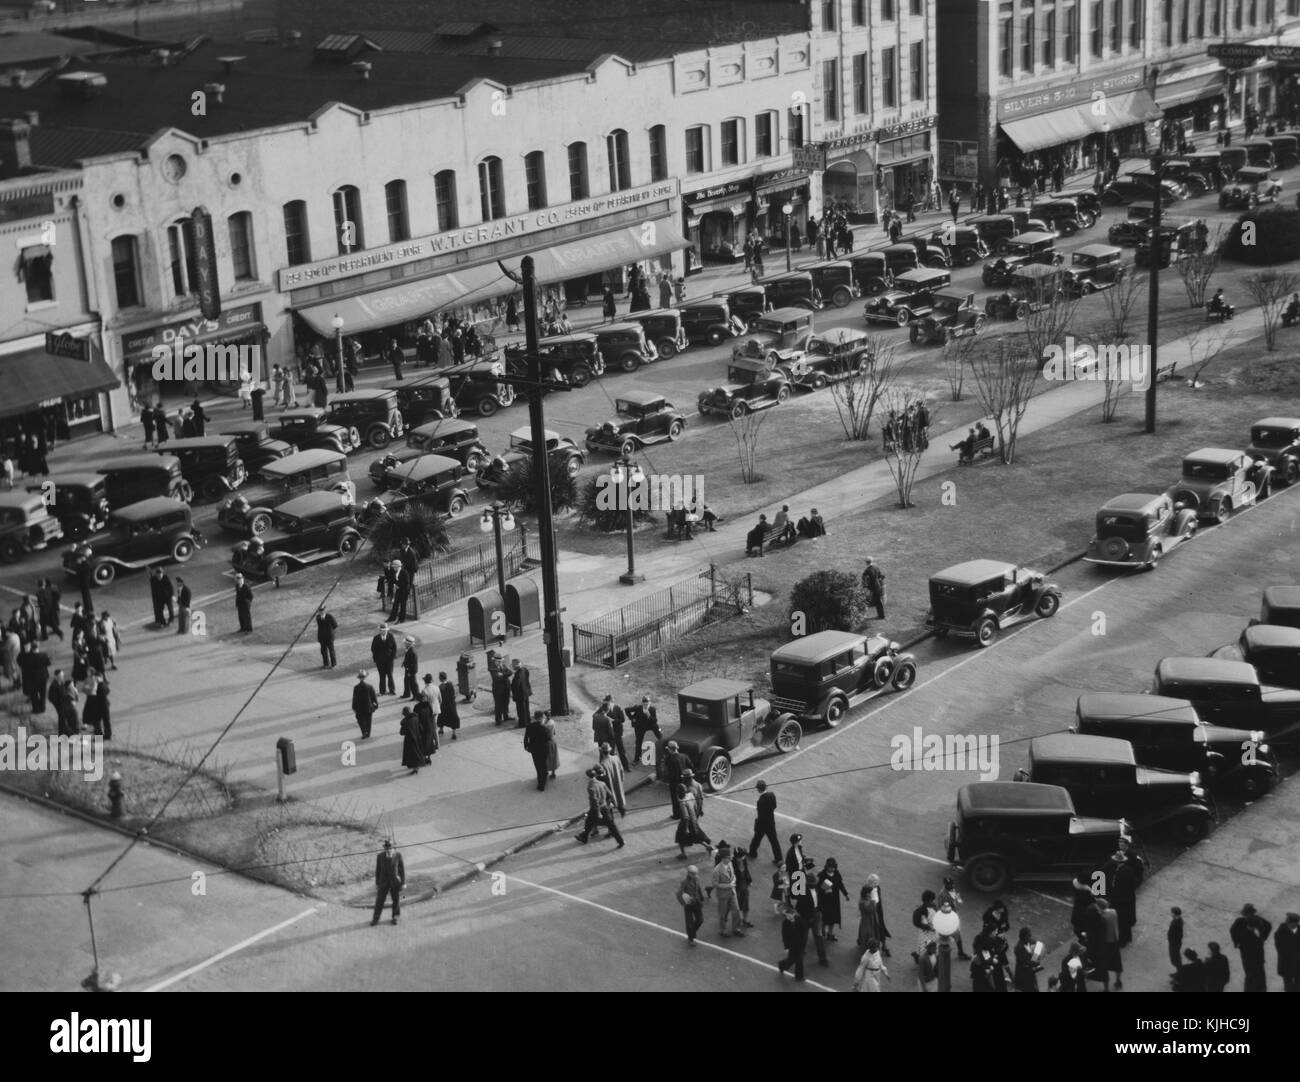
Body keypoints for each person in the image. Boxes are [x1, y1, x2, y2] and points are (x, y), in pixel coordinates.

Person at [576, 768, 624, 847]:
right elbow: (610, 795)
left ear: (588, 777)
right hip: (604, 807)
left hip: (596, 809)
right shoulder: (602, 783)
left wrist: (598, 813)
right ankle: (584, 836)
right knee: (589, 822)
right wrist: (609, 804)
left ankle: (620, 841)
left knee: (609, 825)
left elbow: (594, 802)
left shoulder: (591, 787)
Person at [1231, 903, 1272, 992]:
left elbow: (1268, 926)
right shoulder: (1240, 922)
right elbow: (1233, 931)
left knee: (1257, 974)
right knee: (1251, 974)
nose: (1247, 916)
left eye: (1247, 914)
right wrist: (1236, 942)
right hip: (1249, 954)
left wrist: (1263, 937)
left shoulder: (1256, 921)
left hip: (1254, 954)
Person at [708, 841, 743, 937]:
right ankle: (722, 930)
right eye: (728, 857)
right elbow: (715, 884)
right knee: (722, 913)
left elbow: (733, 875)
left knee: (736, 910)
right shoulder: (717, 870)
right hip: (723, 894)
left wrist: (733, 881)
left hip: (732, 891)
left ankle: (736, 928)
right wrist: (728, 885)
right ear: (723, 858)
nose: (731, 857)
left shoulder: (730, 864)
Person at [746, 779, 781, 864]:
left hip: (762, 825)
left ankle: (752, 853)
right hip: (771, 822)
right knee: (774, 841)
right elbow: (774, 806)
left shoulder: (760, 801)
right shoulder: (772, 795)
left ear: (758, 789)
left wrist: (757, 824)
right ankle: (779, 858)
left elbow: (760, 815)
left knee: (756, 840)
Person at [675, 783, 712, 858]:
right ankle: (708, 847)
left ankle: (683, 854)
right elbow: (695, 805)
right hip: (694, 819)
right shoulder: (690, 795)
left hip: (687, 823)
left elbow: (685, 817)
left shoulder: (682, 803)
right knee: (696, 836)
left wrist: (685, 829)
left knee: (679, 838)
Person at [371, 840, 404, 925]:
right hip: (383, 882)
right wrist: (377, 883)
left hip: (395, 882)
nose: (388, 850)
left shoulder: (398, 855)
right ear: (384, 849)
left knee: (396, 900)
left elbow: (401, 870)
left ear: (393, 848)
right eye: (387, 849)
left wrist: (403, 883)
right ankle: (375, 919)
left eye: (390, 848)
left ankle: (395, 917)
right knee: (379, 901)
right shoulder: (380, 856)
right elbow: (378, 871)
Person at [857, 874, 891, 955]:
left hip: (878, 911)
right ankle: (868, 945)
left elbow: (879, 899)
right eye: (874, 882)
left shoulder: (877, 888)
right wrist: (873, 903)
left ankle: (884, 945)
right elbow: (869, 904)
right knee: (870, 930)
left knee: (880, 927)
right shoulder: (867, 890)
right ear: (870, 882)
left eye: (877, 882)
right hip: (871, 912)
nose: (876, 884)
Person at [817, 858, 850, 941]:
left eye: (833, 867)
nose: (832, 869)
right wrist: (824, 890)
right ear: (827, 867)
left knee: (832, 918)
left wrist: (845, 894)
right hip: (824, 900)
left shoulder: (836, 874)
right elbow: (817, 888)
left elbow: (840, 885)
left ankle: (830, 934)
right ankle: (823, 930)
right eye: (830, 867)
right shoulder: (822, 875)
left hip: (834, 900)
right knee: (824, 917)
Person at [778, 900, 810, 982]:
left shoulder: (799, 920)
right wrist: (786, 947)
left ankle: (783, 966)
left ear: (792, 914)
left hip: (799, 942)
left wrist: (803, 941)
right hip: (792, 944)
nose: (787, 917)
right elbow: (784, 936)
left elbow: (804, 930)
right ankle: (798, 975)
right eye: (786, 916)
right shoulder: (785, 923)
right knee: (796, 959)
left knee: (796, 959)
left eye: (788, 915)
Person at [627, 695, 661, 764]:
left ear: (650, 703)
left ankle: (666, 749)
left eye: (647, 703)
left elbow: (655, 720)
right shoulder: (637, 708)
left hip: (650, 725)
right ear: (642, 703)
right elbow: (626, 710)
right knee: (638, 742)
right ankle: (637, 758)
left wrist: (649, 715)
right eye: (644, 703)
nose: (646, 705)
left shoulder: (652, 709)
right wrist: (631, 718)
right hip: (640, 726)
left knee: (660, 736)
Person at [677, 866, 706, 945]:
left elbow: (698, 888)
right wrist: (684, 903)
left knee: (700, 920)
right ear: (689, 873)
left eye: (696, 873)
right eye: (693, 874)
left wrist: (702, 898)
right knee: (689, 923)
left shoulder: (696, 879)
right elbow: (679, 894)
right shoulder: (684, 882)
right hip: (689, 905)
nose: (695, 875)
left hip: (697, 903)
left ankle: (691, 933)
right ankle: (691, 939)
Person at [524, 710, 551, 791]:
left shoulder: (529, 726)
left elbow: (526, 737)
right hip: (543, 749)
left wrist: (526, 746)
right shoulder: (545, 728)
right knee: (543, 764)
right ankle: (542, 782)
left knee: (537, 765)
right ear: (541, 718)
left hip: (534, 749)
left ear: (535, 717)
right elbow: (548, 738)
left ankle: (541, 780)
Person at [662, 740, 689, 819]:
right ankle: (686, 813)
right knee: (684, 798)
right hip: (684, 782)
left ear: (670, 749)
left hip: (674, 783)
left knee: (675, 800)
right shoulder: (684, 756)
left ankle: (677, 815)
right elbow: (691, 766)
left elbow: (668, 770)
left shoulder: (670, 760)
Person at [598, 742, 626, 814]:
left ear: (602, 752)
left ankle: (611, 820)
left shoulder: (603, 763)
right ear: (609, 751)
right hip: (618, 782)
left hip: (610, 786)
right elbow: (621, 770)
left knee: (610, 802)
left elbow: (603, 779)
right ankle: (622, 810)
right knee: (619, 795)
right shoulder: (616, 758)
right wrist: (621, 780)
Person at [370, 624, 398, 695]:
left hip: (389, 660)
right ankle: (382, 691)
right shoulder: (376, 638)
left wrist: (392, 657)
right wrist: (376, 659)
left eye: (385, 631)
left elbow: (394, 648)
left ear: (387, 630)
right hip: (380, 661)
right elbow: (373, 649)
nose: (383, 632)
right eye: (382, 631)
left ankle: (392, 690)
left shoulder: (391, 636)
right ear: (380, 631)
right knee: (382, 676)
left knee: (390, 675)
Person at [1276, 912, 1300, 992]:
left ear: (1296, 923)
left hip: (1298, 964)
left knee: (1297, 987)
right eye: (1289, 923)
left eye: (1294, 924)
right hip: (1286, 964)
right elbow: (1280, 948)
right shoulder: (1280, 932)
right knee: (1288, 987)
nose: (1291, 926)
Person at [352, 670, 378, 739]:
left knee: (361, 721)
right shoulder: (370, 687)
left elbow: (354, 699)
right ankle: (368, 733)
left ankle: (364, 732)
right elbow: (374, 697)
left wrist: (354, 708)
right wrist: (376, 706)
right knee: (368, 721)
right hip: (368, 707)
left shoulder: (356, 688)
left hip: (359, 708)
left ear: (359, 678)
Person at [398, 707, 423, 775]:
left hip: (409, 740)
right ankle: (417, 766)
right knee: (417, 752)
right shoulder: (416, 718)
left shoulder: (406, 722)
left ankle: (415, 768)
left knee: (412, 755)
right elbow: (421, 728)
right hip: (417, 738)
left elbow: (402, 733)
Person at [490, 653, 512, 726]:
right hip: (498, 690)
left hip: (506, 688)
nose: (500, 662)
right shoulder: (493, 668)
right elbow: (497, 678)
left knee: (506, 702)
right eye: (498, 661)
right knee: (499, 705)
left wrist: (502, 675)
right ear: (495, 661)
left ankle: (506, 716)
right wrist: (505, 675)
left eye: (500, 661)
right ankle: (498, 720)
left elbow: (510, 672)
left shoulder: (503, 665)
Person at [437, 672, 460, 740]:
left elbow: (439, 697)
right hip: (451, 705)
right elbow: (453, 695)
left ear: (441, 678)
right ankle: (454, 733)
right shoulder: (450, 685)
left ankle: (441, 729)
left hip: (443, 705)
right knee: (452, 718)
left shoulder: (440, 687)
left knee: (441, 717)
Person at [510, 658, 531, 728]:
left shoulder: (518, 674)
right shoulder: (525, 670)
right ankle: (528, 720)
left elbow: (516, 685)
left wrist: (511, 686)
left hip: (520, 694)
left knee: (521, 710)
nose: (512, 666)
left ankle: (522, 723)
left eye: (512, 665)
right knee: (526, 708)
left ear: (516, 666)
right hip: (526, 692)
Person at [1167, 906, 1184, 975]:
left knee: (1176, 958)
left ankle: (1180, 972)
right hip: (1174, 943)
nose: (1171, 914)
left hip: (1174, 944)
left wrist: (1172, 941)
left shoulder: (1177, 923)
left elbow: (1178, 935)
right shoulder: (1177, 920)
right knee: (1175, 958)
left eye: (1172, 913)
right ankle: (1178, 971)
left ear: (1174, 914)